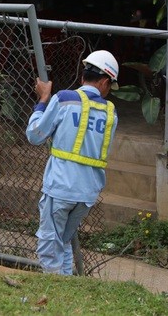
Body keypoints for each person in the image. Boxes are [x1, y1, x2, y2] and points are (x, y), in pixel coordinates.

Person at [26, 50, 120, 275]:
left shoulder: (64, 99)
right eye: (110, 87)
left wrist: (43, 101)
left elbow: (35, 135)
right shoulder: (111, 113)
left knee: (50, 244)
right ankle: (67, 288)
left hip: (60, 187)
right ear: (105, 82)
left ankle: (54, 294)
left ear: (82, 77)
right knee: (64, 241)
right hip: (87, 193)